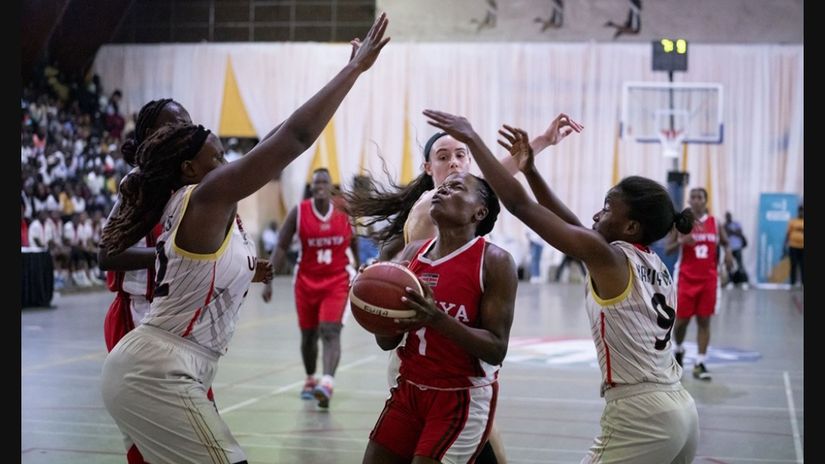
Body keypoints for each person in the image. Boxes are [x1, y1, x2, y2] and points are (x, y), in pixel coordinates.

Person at [99, 15, 389, 463]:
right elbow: (292, 137)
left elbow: (272, 140)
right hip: (157, 367)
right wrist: (353, 71)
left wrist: (250, 271)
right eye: (218, 158)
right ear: (190, 169)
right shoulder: (204, 194)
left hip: (172, 363)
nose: (229, 164)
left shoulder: (199, 197)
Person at [423, 110, 699, 463]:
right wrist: (531, 170)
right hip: (681, 406)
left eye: (606, 209)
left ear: (630, 227)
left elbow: (520, 205)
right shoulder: (650, 263)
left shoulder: (608, 257)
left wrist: (474, 139)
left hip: (642, 413)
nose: (597, 216)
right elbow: (568, 222)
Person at [345, 113, 582, 464]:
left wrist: (541, 143)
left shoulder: (480, 240)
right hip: (417, 353)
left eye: (461, 155)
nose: (454, 163)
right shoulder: (432, 206)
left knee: (478, 430)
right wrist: (376, 286)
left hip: (455, 365)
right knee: (477, 439)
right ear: (428, 168)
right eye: (443, 157)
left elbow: (490, 185)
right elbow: (491, 184)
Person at [362, 171, 518, 464]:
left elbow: (497, 348)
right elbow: (386, 342)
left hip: (460, 396)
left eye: (456, 187)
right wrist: (372, 301)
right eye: (442, 186)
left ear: (479, 211)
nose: (443, 190)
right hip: (408, 390)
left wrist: (437, 319)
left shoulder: (495, 262)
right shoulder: (411, 253)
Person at [261, 167, 359, 408]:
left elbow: (354, 241)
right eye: (316, 182)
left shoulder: (344, 210)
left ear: (330, 185)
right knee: (308, 336)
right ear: (311, 187)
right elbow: (281, 246)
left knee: (330, 331)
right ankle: (310, 378)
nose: (320, 186)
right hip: (306, 281)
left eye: (324, 181)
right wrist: (269, 279)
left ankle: (327, 383)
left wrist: (360, 269)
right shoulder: (299, 212)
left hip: (337, 279)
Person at [665, 187, 732, 381]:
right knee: (681, 322)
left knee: (704, 321)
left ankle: (700, 363)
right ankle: (678, 349)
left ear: (705, 200)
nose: (695, 200)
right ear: (689, 200)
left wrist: (727, 254)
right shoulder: (681, 224)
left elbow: (726, 243)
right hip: (686, 278)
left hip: (709, 278)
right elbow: (668, 249)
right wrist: (681, 241)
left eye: (699, 197)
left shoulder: (715, 223)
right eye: (692, 197)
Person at [723, 211, 749, 289]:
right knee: (729, 266)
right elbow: (725, 234)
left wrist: (731, 231)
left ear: (731, 216)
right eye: (727, 216)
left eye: (729, 216)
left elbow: (739, 233)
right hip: (729, 248)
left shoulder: (736, 223)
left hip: (738, 247)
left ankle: (744, 282)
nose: (728, 217)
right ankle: (730, 282)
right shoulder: (724, 225)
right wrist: (732, 231)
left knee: (740, 265)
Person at [784, 204, 803, 287]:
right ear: (798, 212)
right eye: (800, 211)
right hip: (793, 246)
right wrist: (785, 244)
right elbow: (788, 233)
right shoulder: (793, 221)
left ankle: (803, 283)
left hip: (803, 247)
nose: (801, 213)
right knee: (793, 265)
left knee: (803, 266)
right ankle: (792, 283)